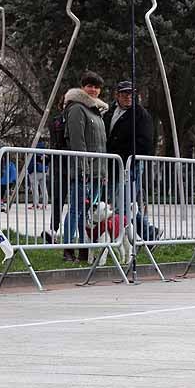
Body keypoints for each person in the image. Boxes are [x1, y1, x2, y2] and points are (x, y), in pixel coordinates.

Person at [62, 71, 108, 262]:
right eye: (90, 86)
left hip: (97, 171)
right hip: (82, 171)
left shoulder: (96, 111)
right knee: (75, 210)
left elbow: (101, 143)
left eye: (97, 87)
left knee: (86, 212)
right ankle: (68, 248)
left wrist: (103, 170)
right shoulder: (77, 109)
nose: (94, 90)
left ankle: (83, 247)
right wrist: (83, 169)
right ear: (82, 87)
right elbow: (77, 141)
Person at [104, 80, 158, 242]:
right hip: (112, 164)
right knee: (120, 203)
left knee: (124, 203)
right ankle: (145, 233)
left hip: (129, 165)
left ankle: (143, 235)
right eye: (124, 94)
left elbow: (145, 142)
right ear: (117, 95)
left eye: (131, 94)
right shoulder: (110, 112)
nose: (128, 97)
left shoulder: (140, 114)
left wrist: (130, 160)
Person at [30, 140, 49, 209]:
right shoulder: (44, 149)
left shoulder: (34, 148)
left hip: (35, 171)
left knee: (34, 188)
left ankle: (35, 204)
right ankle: (45, 204)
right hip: (43, 171)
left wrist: (29, 170)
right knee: (43, 187)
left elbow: (31, 161)